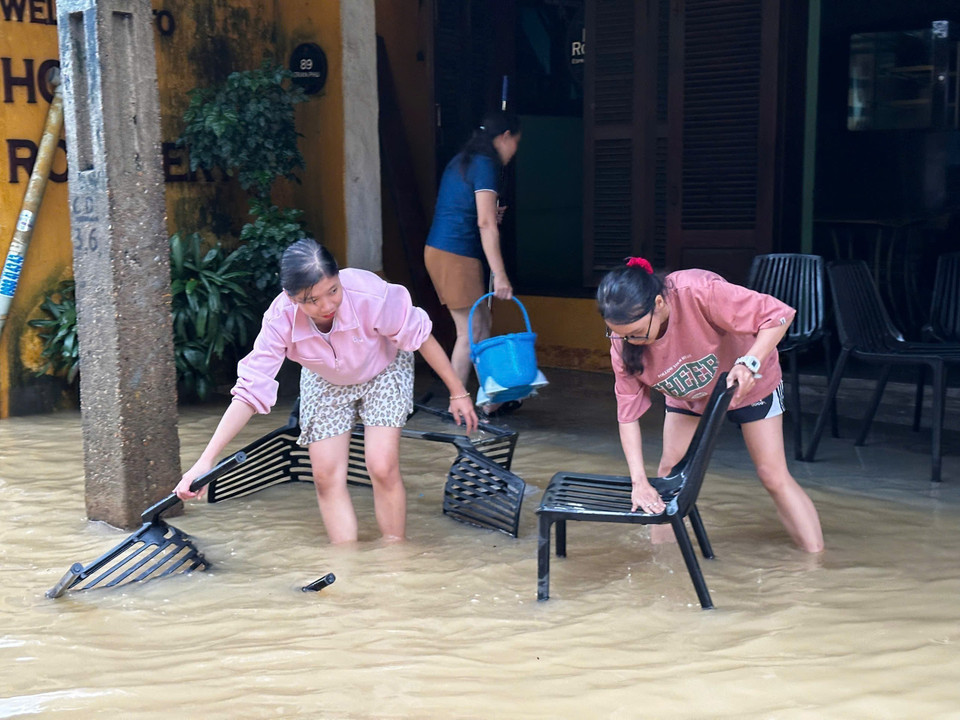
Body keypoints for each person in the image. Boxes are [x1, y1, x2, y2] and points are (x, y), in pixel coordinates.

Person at [175, 238, 478, 544]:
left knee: (381, 465)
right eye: (312, 300)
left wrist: (458, 392)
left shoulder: (367, 293)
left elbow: (421, 337)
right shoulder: (280, 319)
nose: (327, 305)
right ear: (291, 298)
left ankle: (393, 555)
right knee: (324, 476)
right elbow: (249, 393)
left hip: (384, 367)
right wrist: (206, 460)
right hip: (325, 377)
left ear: (338, 279)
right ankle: (345, 562)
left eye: (333, 290)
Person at [597, 257, 824, 553]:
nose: (630, 341)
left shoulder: (698, 291)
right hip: (688, 393)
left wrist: (749, 363)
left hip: (750, 383)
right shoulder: (623, 342)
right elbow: (627, 416)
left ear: (660, 304)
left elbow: (779, 315)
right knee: (668, 474)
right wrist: (638, 481)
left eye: (637, 332)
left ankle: (816, 562)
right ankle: (662, 564)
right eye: (619, 333)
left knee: (772, 475)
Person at [424, 110, 522, 416]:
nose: (514, 150)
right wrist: (501, 275)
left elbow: (476, 213)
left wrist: (492, 216)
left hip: (449, 252)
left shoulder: (465, 160)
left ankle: (492, 398)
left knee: (479, 327)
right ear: (505, 137)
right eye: (515, 142)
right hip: (455, 255)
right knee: (469, 333)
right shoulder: (485, 164)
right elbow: (484, 223)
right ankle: (458, 402)